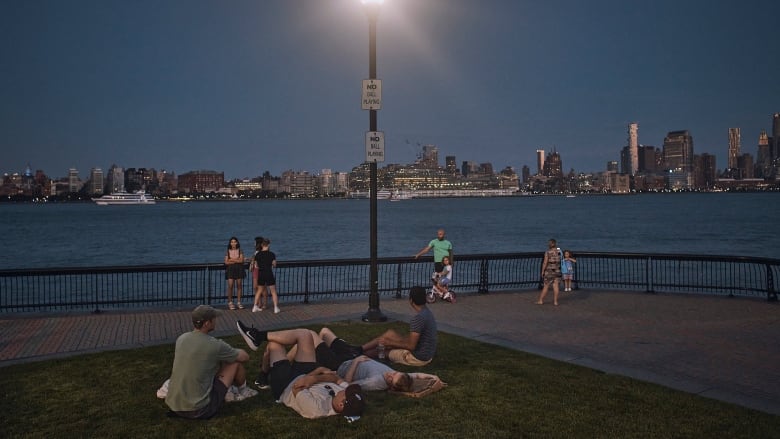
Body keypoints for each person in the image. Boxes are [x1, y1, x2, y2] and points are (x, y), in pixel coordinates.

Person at [235, 323, 366, 419]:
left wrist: (317, 373)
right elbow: (335, 379)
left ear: (341, 404)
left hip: (286, 385)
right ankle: (257, 336)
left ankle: (263, 375)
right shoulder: (344, 394)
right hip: (306, 374)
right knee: (305, 334)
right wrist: (316, 377)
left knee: (274, 345)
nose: (344, 390)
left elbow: (297, 387)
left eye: (346, 393)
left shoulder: (317, 409)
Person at [165, 305, 255, 419]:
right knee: (235, 363)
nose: (215, 321)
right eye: (214, 318)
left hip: (175, 406)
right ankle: (243, 390)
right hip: (199, 409)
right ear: (207, 323)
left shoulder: (182, 338)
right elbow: (244, 357)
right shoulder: (215, 345)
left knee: (216, 361)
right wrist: (232, 351)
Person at [360, 286, 437, 366]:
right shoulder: (427, 313)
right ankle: (360, 349)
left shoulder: (418, 319)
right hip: (425, 353)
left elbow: (411, 346)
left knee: (378, 351)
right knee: (390, 334)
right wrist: (392, 342)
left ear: (411, 300)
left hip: (417, 357)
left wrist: (390, 343)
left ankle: (358, 355)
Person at [254, 238, 280, 314]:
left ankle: (255, 306)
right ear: (268, 245)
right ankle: (275, 308)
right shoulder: (272, 254)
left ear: (262, 245)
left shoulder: (258, 254)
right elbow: (274, 264)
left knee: (259, 291)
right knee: (273, 291)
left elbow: (256, 265)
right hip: (269, 273)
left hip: (261, 273)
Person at [536, 239, 563, 306]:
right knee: (556, 286)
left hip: (549, 271)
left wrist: (542, 271)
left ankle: (540, 300)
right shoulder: (559, 251)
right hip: (558, 270)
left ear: (550, 244)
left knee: (546, 286)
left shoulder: (548, 252)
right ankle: (555, 301)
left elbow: (545, 262)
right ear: (555, 244)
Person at [224, 237, 245, 310]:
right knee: (230, 286)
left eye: (234, 242)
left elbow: (241, 260)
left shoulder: (240, 251)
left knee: (239, 285)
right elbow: (226, 262)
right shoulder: (228, 251)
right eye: (232, 242)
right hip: (230, 270)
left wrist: (231, 260)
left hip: (239, 269)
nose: (233, 243)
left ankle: (239, 302)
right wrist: (236, 259)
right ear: (230, 243)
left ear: (237, 242)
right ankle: (230, 302)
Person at [249, 236, 263, 310]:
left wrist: (252, 261)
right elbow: (254, 259)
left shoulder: (261, 252)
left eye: (255, 242)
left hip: (259, 270)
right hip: (255, 269)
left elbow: (256, 259)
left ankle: (261, 303)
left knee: (260, 287)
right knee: (255, 287)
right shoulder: (256, 252)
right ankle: (258, 302)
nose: (254, 244)